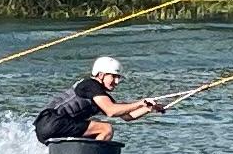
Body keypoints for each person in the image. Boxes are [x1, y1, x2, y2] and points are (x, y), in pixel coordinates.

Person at [32, 56, 161, 144]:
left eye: (118, 78)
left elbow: (127, 116)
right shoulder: (91, 85)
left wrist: (148, 108)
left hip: (45, 126)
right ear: (101, 75)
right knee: (106, 129)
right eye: (114, 76)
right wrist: (140, 102)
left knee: (94, 133)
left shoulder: (99, 95)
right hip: (53, 122)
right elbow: (111, 111)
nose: (117, 82)